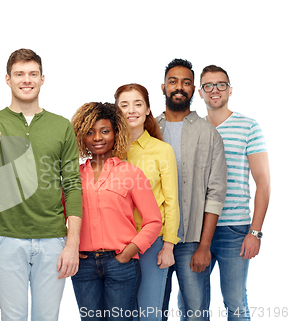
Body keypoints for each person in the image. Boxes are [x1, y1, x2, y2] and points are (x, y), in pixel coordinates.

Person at [0, 48, 83, 321]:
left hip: (53, 239)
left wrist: (72, 243)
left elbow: (72, 184)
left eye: (32, 74)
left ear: (42, 79)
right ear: (8, 79)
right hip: (6, 238)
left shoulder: (61, 126)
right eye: (19, 74)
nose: (26, 79)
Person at [70, 102, 162, 321]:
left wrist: (130, 251)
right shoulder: (74, 176)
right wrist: (71, 245)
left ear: (116, 133)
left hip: (121, 264)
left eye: (104, 131)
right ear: (82, 136)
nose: (97, 138)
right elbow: (59, 216)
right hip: (83, 267)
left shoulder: (131, 173)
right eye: (90, 132)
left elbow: (153, 221)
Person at [157, 59, 227, 321]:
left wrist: (204, 246)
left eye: (186, 82)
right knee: (153, 312)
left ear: (193, 89)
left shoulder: (209, 135)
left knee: (196, 314)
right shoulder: (149, 131)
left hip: (191, 242)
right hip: (154, 242)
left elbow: (215, 193)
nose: (179, 87)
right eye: (173, 81)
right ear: (163, 86)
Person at [199, 65, 270, 320]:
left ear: (230, 90)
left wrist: (255, 231)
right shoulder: (194, 128)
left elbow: (263, 182)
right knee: (192, 303)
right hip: (196, 230)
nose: (214, 90)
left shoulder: (248, 126)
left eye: (220, 84)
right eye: (208, 85)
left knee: (235, 301)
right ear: (200, 92)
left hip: (235, 229)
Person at [114, 84, 180, 321]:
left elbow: (171, 201)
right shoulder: (110, 151)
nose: (131, 110)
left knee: (149, 314)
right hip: (117, 244)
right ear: (116, 111)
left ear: (148, 109)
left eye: (138, 104)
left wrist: (169, 245)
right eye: (124, 104)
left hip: (153, 244)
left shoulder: (162, 151)